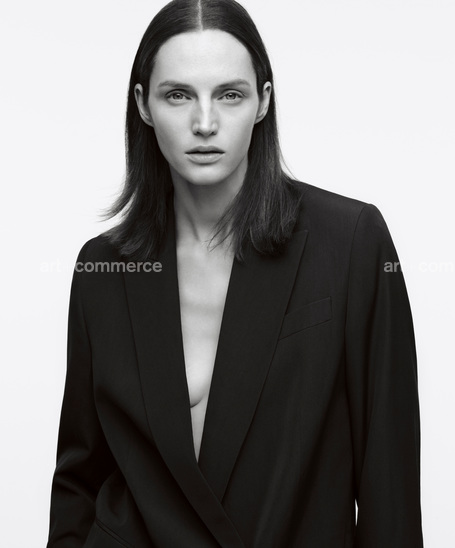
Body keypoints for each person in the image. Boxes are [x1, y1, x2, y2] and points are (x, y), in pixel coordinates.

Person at [46, 0, 424, 546]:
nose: (204, 123)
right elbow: (79, 480)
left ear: (263, 101)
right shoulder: (103, 267)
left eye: (229, 94)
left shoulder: (351, 242)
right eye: (178, 95)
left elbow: (390, 489)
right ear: (144, 104)